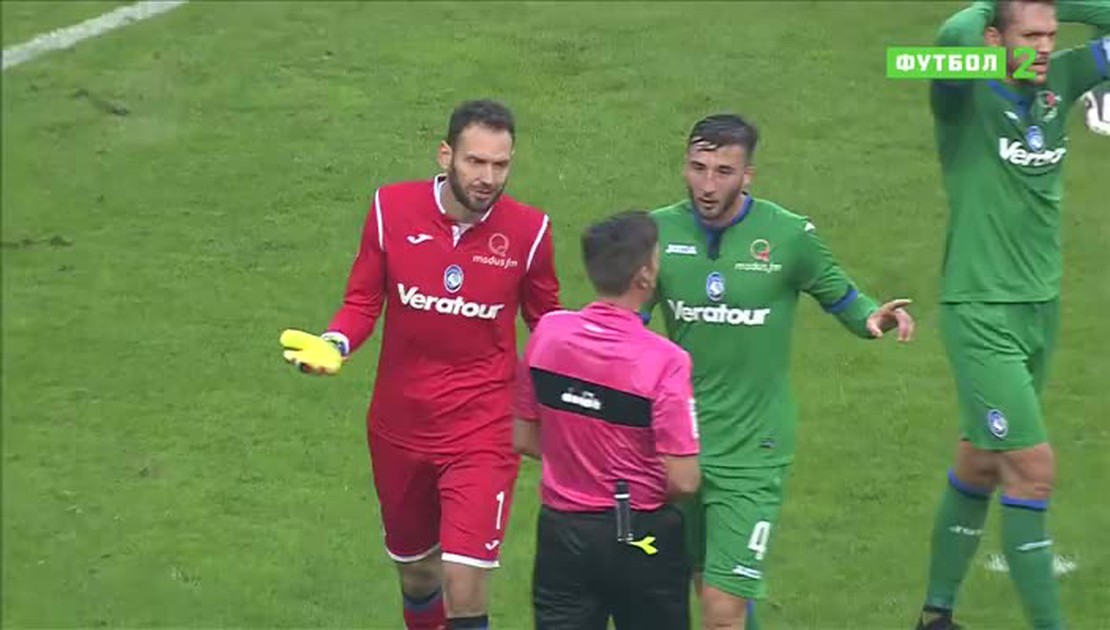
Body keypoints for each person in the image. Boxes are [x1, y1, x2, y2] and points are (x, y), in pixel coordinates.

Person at [279, 99, 561, 630]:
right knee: (417, 575)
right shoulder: (391, 209)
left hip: (482, 429)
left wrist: (583, 380)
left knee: (465, 579)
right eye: (475, 162)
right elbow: (363, 301)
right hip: (399, 428)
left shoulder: (529, 232)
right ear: (445, 155)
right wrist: (336, 343)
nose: (488, 178)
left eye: (500, 164)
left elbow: (547, 323)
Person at [641, 113, 916, 630]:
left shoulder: (788, 235)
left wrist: (872, 318)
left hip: (754, 449)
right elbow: (629, 324)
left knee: (721, 612)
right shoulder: (656, 232)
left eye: (723, 171)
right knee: (707, 583)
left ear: (748, 176)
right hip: (679, 445)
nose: (707, 185)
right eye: (698, 168)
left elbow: (842, 295)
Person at [916, 2, 1109, 629]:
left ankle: (935, 616)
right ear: (995, 38)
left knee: (980, 460)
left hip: (1040, 306)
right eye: (1031, 36)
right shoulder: (963, 93)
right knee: (1031, 469)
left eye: (1052, 34)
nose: (1046, 46)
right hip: (980, 309)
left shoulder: (1063, 79)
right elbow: (951, 36)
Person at [513, 210, 701, 630]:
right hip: (641, 536)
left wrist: (581, 463)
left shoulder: (548, 333)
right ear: (645, 276)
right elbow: (685, 479)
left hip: (562, 535)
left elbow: (523, 437)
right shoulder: (666, 360)